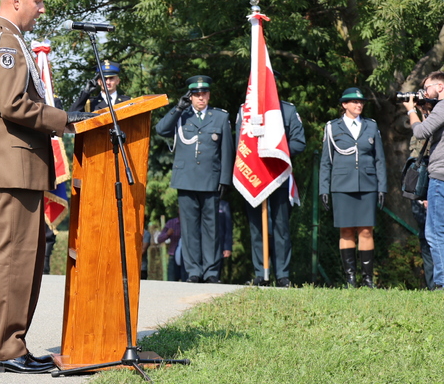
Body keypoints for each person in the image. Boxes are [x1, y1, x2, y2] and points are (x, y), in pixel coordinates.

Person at [0, 0, 93, 375]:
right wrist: (64, 119)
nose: (42, 9)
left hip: (17, 166)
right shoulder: (4, 40)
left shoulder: (7, 38)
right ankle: (6, 349)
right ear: (16, 0)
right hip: (12, 166)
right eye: (37, 2)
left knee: (24, 259)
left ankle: (14, 345)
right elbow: (11, 104)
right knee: (14, 260)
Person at [155, 75, 233, 283]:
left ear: (209, 95)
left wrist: (225, 179)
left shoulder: (220, 117)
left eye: (204, 94)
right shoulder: (182, 115)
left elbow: (227, 151)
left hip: (210, 180)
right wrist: (178, 108)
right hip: (186, 179)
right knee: (189, 229)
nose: (200, 98)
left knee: (211, 228)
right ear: (190, 96)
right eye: (196, 94)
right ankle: (193, 272)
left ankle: (211, 272)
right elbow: (161, 129)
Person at [319, 87, 386, 288]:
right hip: (342, 185)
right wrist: (324, 189)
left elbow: (380, 159)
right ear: (344, 104)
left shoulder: (371, 125)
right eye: (354, 102)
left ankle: (367, 279)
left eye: (361, 102)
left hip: (367, 184)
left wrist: (382, 187)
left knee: (366, 231)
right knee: (346, 230)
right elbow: (326, 161)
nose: (359, 105)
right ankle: (350, 279)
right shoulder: (332, 127)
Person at [238, 99, 306, 287]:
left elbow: (299, 142)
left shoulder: (288, 110)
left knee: (280, 227)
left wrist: (275, 151)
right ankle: (261, 273)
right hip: (253, 177)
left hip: (278, 176)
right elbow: (239, 144)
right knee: (257, 227)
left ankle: (282, 275)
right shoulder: (245, 110)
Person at [404, 72, 444, 290]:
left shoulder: (442, 106)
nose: (424, 92)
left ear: (440, 87)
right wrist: (425, 111)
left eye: (427, 87)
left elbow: (420, 132)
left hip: (440, 176)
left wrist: (411, 110)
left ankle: (441, 283)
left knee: (435, 232)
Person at [156, 215, 182, 282]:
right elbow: (159, 239)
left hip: (188, 257)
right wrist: (167, 234)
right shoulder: (171, 223)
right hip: (173, 255)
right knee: (171, 281)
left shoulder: (191, 222)